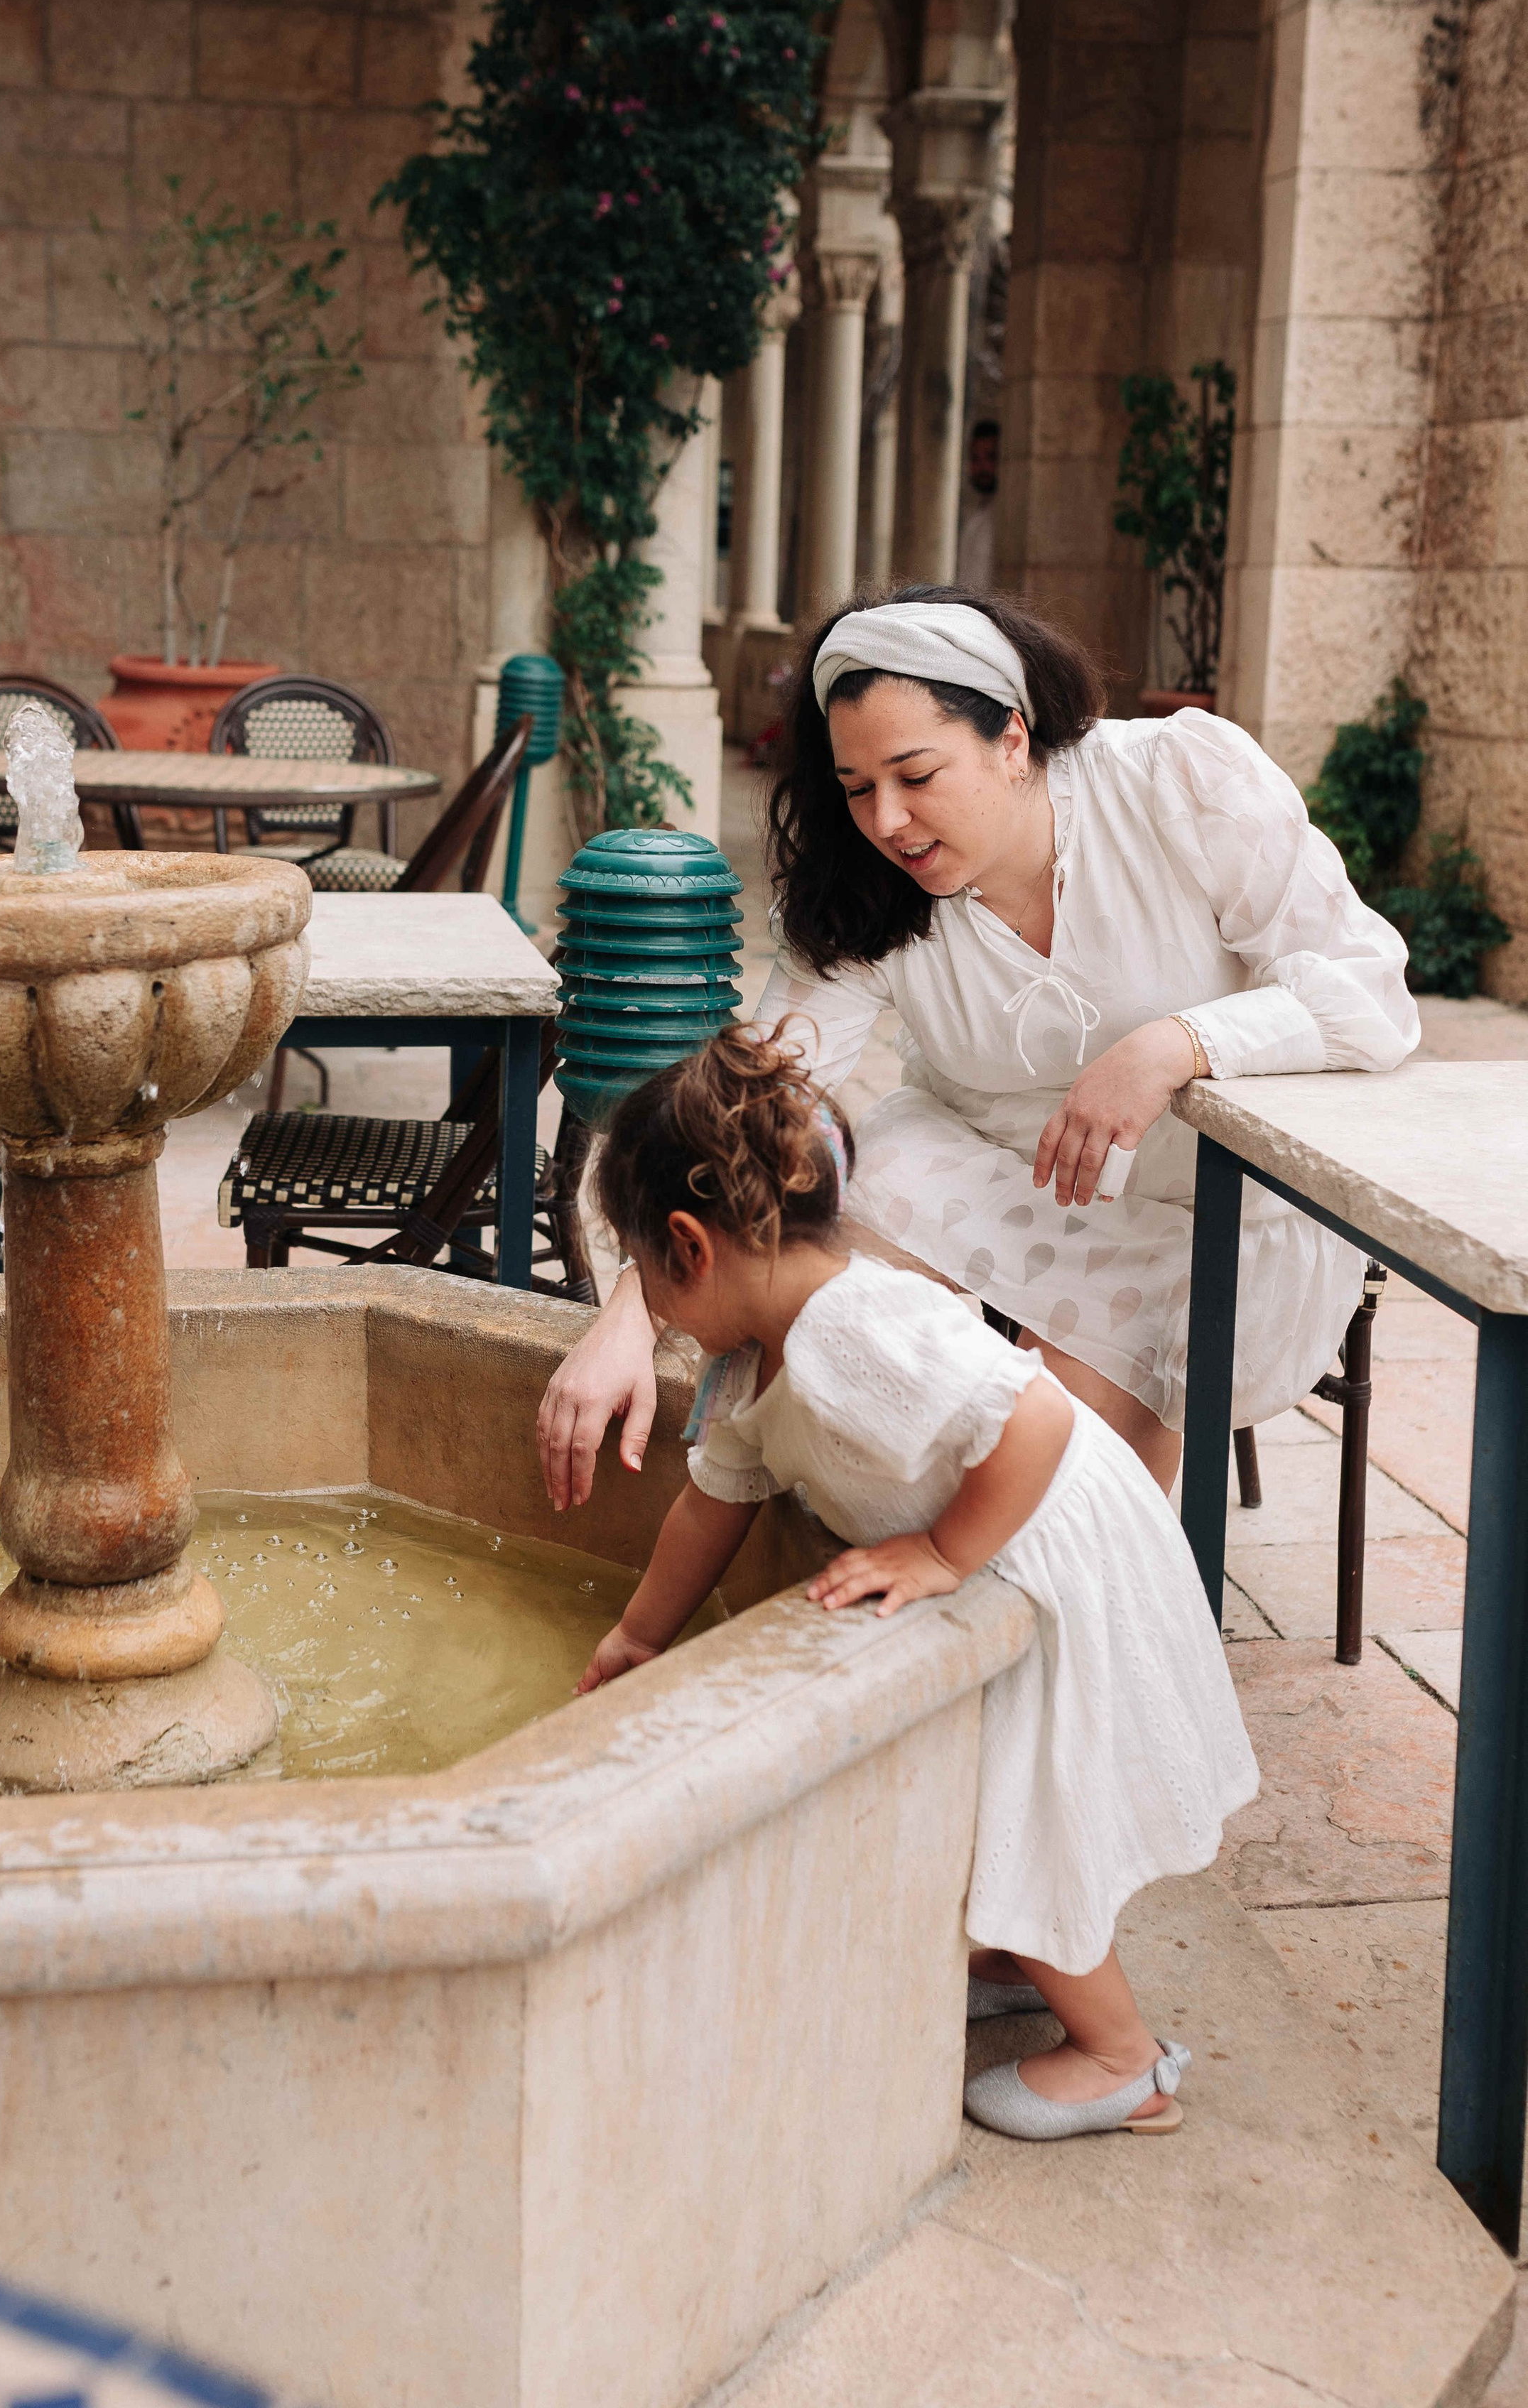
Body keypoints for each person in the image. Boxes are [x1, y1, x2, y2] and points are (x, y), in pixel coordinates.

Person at [538, 586, 1418, 1508]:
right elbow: (763, 1096)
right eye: (857, 789)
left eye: (915, 776)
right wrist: (636, 1308)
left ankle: (999, 1561)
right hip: (1007, 1179)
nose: (886, 820)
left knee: (1057, 1473)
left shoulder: (1178, 782)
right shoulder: (862, 887)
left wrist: (1175, 1046)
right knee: (791, 1271)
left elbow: (1370, 989)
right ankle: (775, 1514)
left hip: (1220, 1207)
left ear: (1012, 739)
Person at [578, 1024, 1257, 2139]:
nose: (653, 1305)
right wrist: (640, 1637)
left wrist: (942, 1554)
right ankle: (1021, 1961)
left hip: (1057, 1558)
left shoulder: (852, 1327)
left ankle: (1122, 2058)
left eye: (642, 1276)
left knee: (1034, 1821)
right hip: (1018, 1551)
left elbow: (1033, 1420)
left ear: (690, 1249)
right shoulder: (754, 1354)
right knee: (1002, 1810)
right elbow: (715, 1501)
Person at [957, 417, 1000, 595]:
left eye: (990, 457)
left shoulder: (1005, 518)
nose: (982, 467)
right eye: (975, 459)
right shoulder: (975, 515)